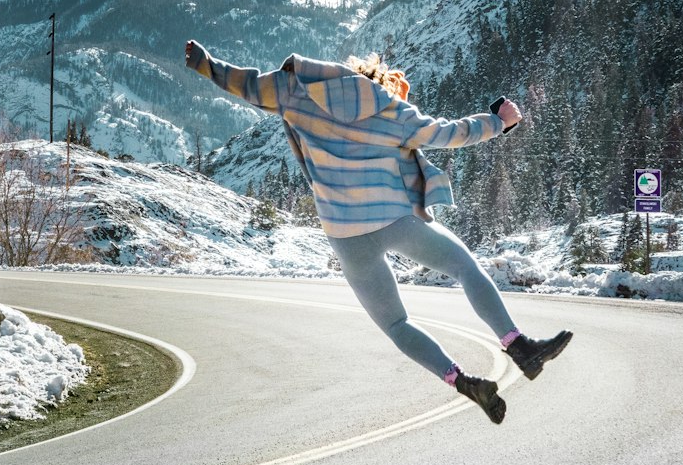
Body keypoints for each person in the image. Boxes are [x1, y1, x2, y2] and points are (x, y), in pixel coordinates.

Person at [185, 39, 572, 424]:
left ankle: (463, 381)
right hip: (394, 219)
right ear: (382, 83)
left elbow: (245, 82)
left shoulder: (296, 92)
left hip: (345, 235)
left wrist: (206, 63)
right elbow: (446, 133)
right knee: (465, 269)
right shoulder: (390, 110)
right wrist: (499, 121)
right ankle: (519, 347)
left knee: (395, 324)